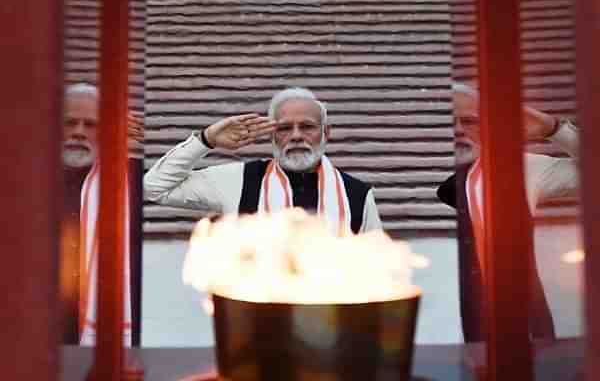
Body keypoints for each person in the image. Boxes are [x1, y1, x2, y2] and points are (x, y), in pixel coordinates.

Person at [437, 82, 579, 342]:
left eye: (469, 121)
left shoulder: (523, 167)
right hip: (472, 325)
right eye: (452, 122)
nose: (459, 130)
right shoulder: (452, 185)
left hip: (526, 321)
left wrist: (554, 129)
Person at [144, 87, 382, 234]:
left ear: (326, 133)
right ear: (272, 134)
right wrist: (206, 140)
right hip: (255, 313)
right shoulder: (239, 179)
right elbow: (155, 188)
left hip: (331, 313)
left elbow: (376, 269)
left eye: (307, 127)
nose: (296, 135)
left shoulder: (357, 194)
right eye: (285, 128)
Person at [60, 83, 143, 346]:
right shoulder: (24, 182)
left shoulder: (133, 181)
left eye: (90, 125)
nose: (78, 133)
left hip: (109, 335)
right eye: (69, 123)